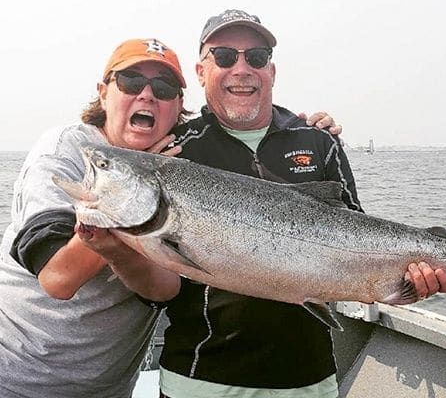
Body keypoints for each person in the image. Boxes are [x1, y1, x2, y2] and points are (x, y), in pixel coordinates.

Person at [86, 10, 446, 398]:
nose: (241, 68)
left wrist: (407, 277)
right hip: (200, 380)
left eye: (256, 57)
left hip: (311, 380)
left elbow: (356, 235)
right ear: (200, 71)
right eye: (224, 56)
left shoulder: (318, 141)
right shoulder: (175, 149)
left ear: (271, 72)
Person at [0, 35, 342, 398]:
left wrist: (307, 128)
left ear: (178, 107)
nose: (146, 95)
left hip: (109, 387)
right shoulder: (68, 153)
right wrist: (123, 203)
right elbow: (57, 278)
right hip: (17, 376)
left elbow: (165, 288)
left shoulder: (174, 158)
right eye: (131, 82)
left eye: (163, 89)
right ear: (103, 91)